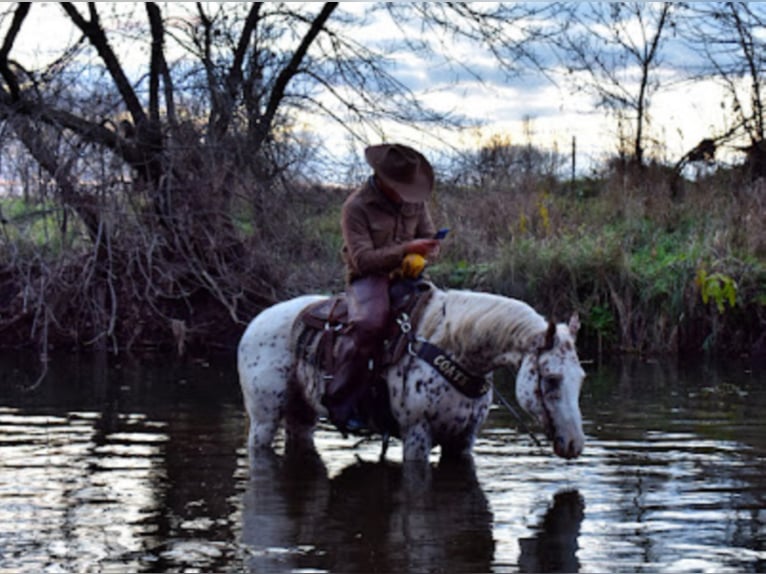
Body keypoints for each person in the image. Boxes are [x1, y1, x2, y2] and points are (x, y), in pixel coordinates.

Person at [321, 143, 441, 433]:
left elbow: (430, 239)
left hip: (408, 276)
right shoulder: (356, 207)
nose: (407, 194)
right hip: (368, 278)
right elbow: (362, 260)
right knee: (369, 325)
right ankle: (341, 403)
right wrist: (406, 250)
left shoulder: (416, 202)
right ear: (384, 179)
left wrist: (422, 254)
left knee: (442, 318)